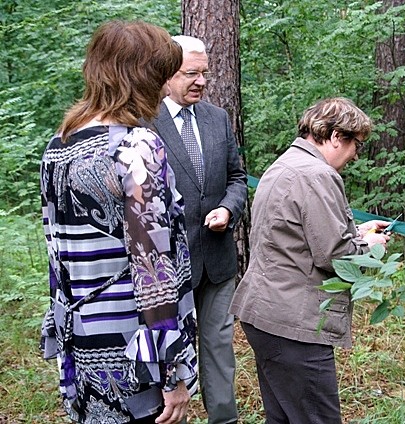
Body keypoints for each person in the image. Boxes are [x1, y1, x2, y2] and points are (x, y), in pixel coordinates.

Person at [40, 21, 198, 424]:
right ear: (142, 77)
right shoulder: (136, 147)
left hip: (83, 344)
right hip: (136, 356)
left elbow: (57, 261)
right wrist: (171, 373)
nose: (166, 88)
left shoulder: (58, 145)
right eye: (162, 76)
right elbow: (153, 270)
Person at [229, 97, 391, 423]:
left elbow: (297, 236)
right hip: (295, 325)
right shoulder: (318, 175)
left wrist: (358, 232)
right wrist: (371, 247)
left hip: (267, 314)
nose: (356, 155)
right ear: (335, 136)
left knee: (284, 418)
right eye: (357, 145)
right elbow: (336, 256)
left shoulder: (286, 164)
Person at [151, 35, 248, 424]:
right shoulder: (144, 122)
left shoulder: (216, 118)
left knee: (219, 348)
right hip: (167, 267)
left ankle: (224, 419)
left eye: (205, 73)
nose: (202, 81)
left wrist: (227, 208)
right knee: (168, 351)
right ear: (167, 73)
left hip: (217, 262)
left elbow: (237, 177)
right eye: (192, 73)